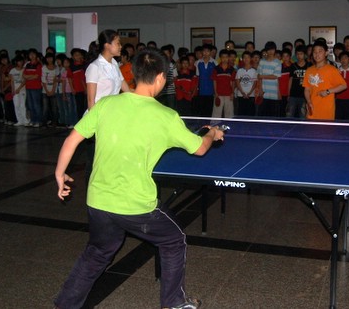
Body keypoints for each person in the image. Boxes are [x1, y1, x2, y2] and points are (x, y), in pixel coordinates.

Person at [53, 48, 224, 309]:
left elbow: (72, 138)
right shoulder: (166, 116)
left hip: (98, 200)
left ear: (133, 73)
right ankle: (174, 302)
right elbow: (200, 148)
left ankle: (65, 304)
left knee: (98, 252)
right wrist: (212, 134)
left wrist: (59, 173)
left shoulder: (106, 104)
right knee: (174, 240)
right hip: (136, 205)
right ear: (160, 77)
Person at [85, 30, 130, 111]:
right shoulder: (95, 67)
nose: (120, 46)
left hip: (112, 111)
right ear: (107, 45)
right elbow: (91, 100)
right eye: (118, 43)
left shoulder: (114, 63)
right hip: (99, 112)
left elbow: (127, 90)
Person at [304, 41, 347, 120]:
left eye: (320, 51)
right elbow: (307, 89)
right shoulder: (309, 70)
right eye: (314, 52)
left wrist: (328, 91)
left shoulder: (331, 69)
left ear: (326, 53)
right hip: (312, 109)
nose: (317, 54)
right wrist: (309, 102)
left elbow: (343, 86)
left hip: (326, 111)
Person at [211, 49, 236, 118]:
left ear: (228, 58)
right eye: (223, 57)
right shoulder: (216, 69)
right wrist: (216, 93)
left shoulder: (232, 69)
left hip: (228, 94)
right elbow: (214, 81)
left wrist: (232, 93)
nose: (225, 59)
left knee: (229, 113)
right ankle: (215, 124)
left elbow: (233, 82)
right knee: (216, 113)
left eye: (226, 57)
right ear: (220, 58)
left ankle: (229, 124)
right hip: (218, 94)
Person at [235, 51, 257, 117]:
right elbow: (237, 82)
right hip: (241, 95)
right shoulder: (239, 70)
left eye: (248, 57)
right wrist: (242, 93)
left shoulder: (254, 71)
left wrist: (249, 93)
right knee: (241, 113)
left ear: (251, 59)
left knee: (250, 113)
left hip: (251, 95)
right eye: (244, 57)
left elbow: (254, 83)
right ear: (242, 59)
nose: (246, 59)